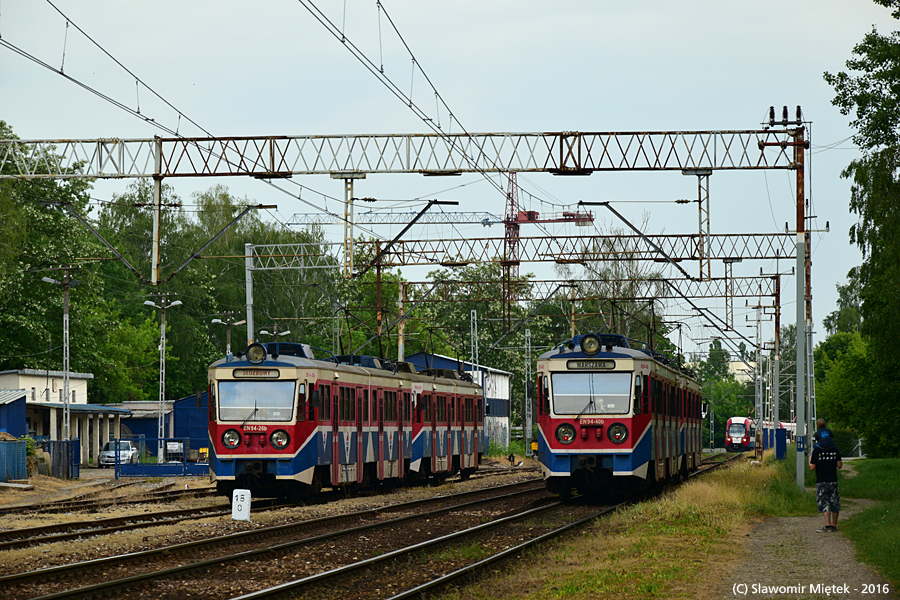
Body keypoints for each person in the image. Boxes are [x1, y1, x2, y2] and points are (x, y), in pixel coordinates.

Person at [809, 422, 842, 532]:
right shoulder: (835, 450)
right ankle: (834, 525)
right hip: (833, 480)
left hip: (821, 480)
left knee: (824, 503)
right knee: (834, 503)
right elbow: (839, 465)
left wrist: (810, 460)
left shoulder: (817, 451)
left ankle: (827, 525)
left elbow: (812, 467)